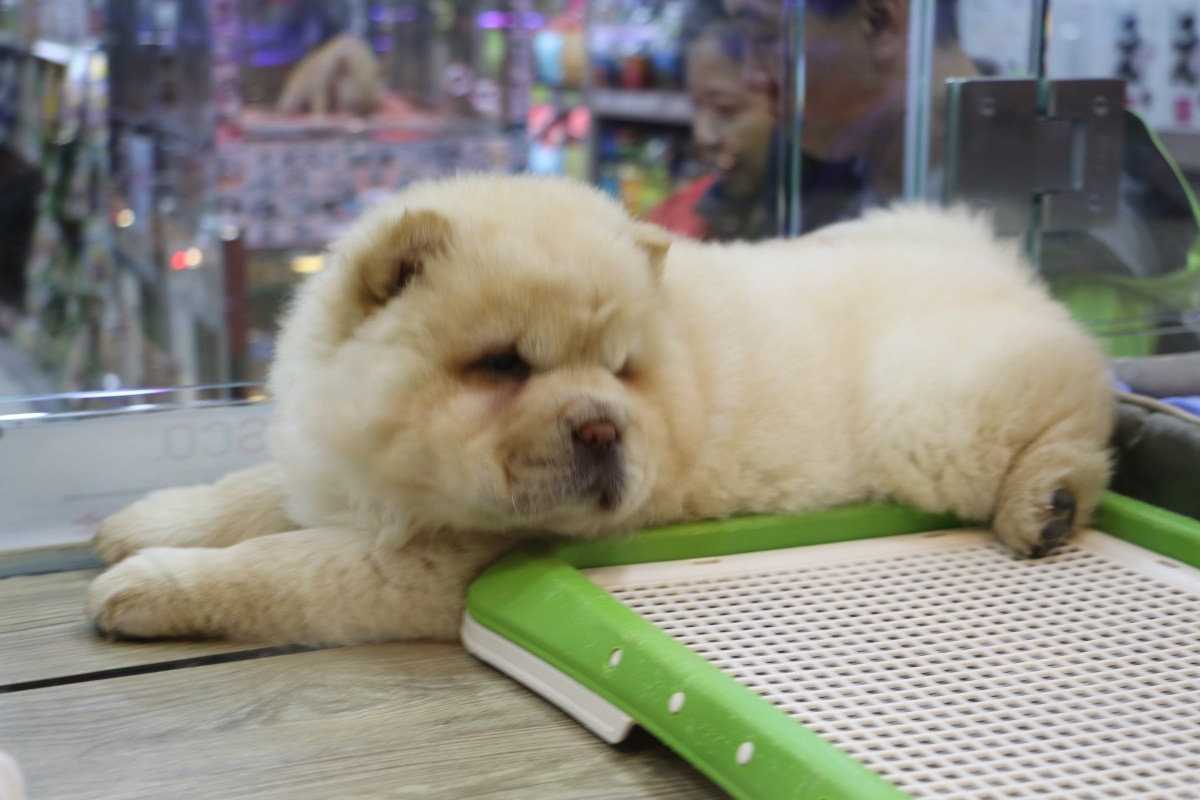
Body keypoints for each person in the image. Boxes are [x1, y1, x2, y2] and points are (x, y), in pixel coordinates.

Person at [649, 18, 778, 241]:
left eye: (725, 109)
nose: (703, 135)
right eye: (696, 106)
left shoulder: (827, 225)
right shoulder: (674, 219)